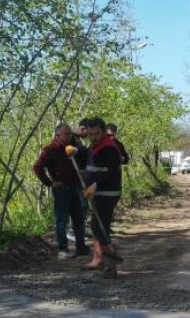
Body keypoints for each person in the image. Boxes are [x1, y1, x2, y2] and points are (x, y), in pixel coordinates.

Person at [33, 123, 88, 259]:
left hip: (76, 187)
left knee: (78, 219)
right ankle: (62, 250)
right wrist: (50, 183)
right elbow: (37, 167)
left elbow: (85, 158)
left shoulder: (73, 147)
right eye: (66, 134)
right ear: (58, 135)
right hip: (62, 189)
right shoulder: (51, 149)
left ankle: (81, 248)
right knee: (62, 220)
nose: (70, 136)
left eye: (70, 133)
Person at [79, 117, 123, 278]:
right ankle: (99, 261)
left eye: (96, 133)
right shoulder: (95, 145)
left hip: (107, 193)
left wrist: (95, 185)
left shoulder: (109, 148)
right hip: (98, 192)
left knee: (101, 228)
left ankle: (110, 266)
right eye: (90, 134)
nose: (93, 136)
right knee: (96, 227)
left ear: (104, 132)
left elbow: (110, 171)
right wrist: (77, 151)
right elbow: (89, 161)